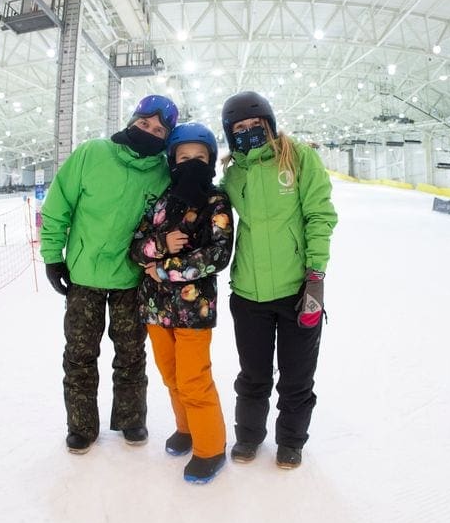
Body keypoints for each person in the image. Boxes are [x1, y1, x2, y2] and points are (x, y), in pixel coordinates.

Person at [41, 95, 179, 454]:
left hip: (132, 281)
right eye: (144, 123)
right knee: (80, 354)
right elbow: (58, 206)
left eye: (158, 130)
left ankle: (131, 419)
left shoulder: (163, 173)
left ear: (166, 138)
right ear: (132, 120)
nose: (148, 132)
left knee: (132, 354)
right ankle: (82, 427)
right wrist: (53, 256)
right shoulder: (92, 154)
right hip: (84, 277)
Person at [219, 91, 338, 470]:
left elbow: (319, 214)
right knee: (252, 375)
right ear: (230, 133)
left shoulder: (299, 157)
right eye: (240, 127)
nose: (249, 131)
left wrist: (315, 276)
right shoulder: (234, 174)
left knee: (297, 377)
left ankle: (290, 441)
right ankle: (249, 437)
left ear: (269, 123)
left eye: (256, 124)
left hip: (297, 291)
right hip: (249, 293)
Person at [129, 122, 234, 484]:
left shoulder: (215, 201)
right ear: (172, 161)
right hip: (156, 311)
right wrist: (160, 247)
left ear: (210, 161)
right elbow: (136, 246)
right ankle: (186, 428)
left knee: (193, 379)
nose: (191, 163)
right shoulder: (161, 202)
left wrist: (166, 269)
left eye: (199, 157)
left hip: (193, 310)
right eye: (184, 157)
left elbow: (217, 255)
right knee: (171, 376)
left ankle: (210, 447)